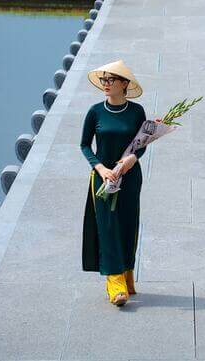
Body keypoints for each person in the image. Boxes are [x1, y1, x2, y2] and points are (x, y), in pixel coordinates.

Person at [80, 59, 152, 306]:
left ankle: (127, 274)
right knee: (108, 226)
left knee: (128, 224)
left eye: (111, 80)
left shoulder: (137, 111)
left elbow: (141, 143)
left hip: (130, 177)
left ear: (124, 84)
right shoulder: (95, 112)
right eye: (104, 80)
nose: (106, 84)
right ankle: (115, 284)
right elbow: (84, 145)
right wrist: (100, 168)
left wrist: (132, 158)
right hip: (103, 179)